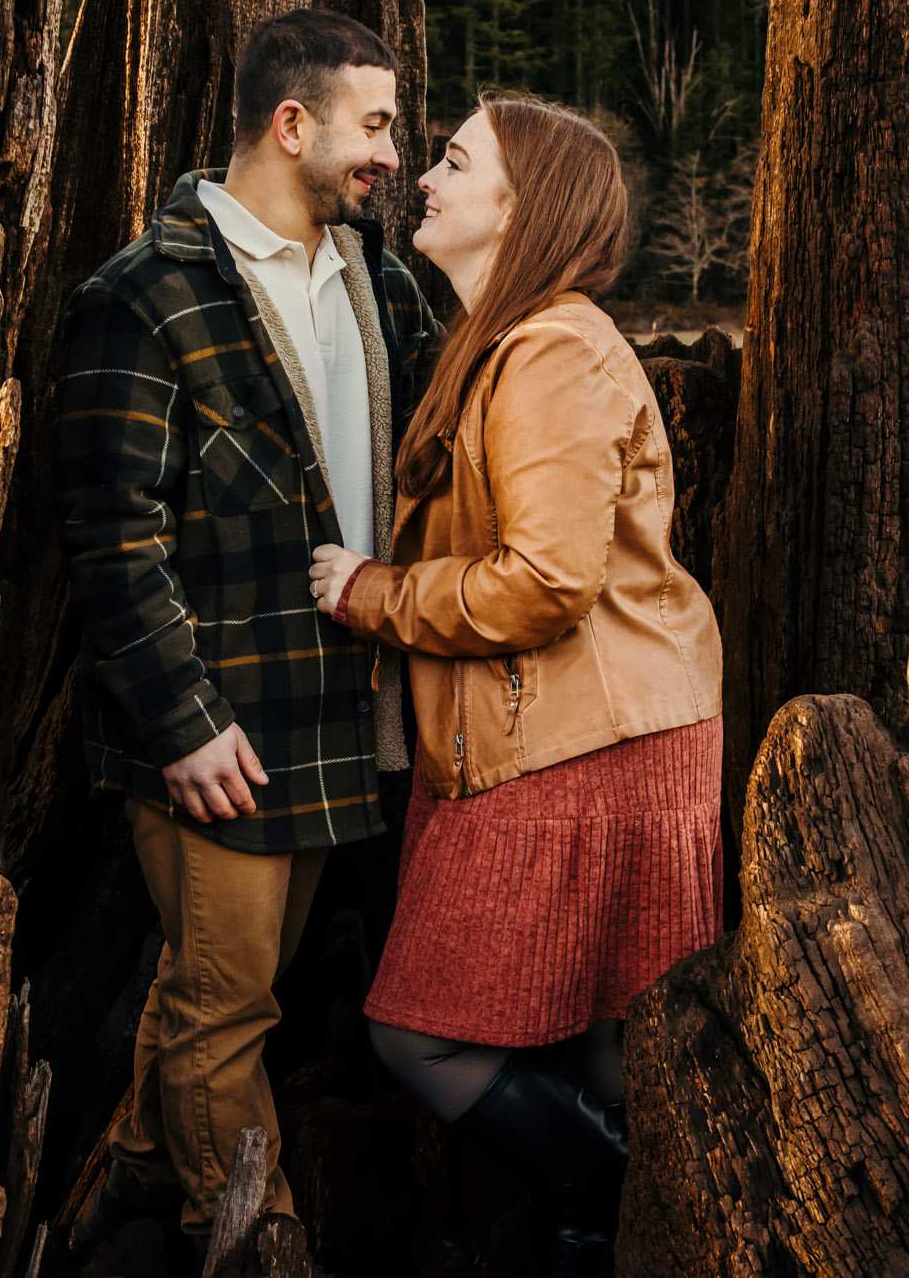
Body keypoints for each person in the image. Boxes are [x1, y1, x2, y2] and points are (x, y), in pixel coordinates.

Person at [305, 96, 725, 1272]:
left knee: (420, 1033)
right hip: (574, 731)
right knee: (595, 1048)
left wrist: (368, 592)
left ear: (519, 206)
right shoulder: (511, 340)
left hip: (577, 741)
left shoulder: (548, 350)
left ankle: (624, 1197)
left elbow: (545, 581)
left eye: (452, 161)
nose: (422, 178)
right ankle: (603, 1233)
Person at [52, 9, 432, 1259]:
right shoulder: (143, 295)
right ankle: (257, 1242)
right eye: (374, 124)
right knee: (227, 1005)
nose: (392, 151)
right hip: (218, 719)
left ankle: (128, 1188)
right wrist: (180, 717)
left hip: (336, 712)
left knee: (213, 982)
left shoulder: (375, 280)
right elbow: (110, 533)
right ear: (292, 124)